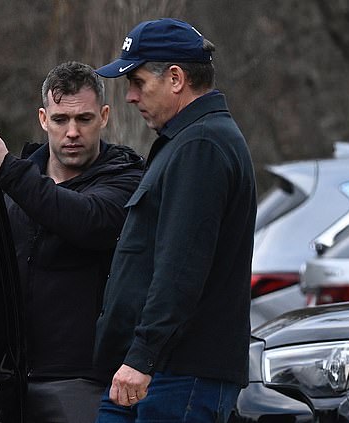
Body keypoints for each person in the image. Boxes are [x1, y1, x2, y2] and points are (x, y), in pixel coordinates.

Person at [0, 61, 144, 423]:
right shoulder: (16, 181)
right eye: (61, 120)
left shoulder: (125, 176)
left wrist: (8, 170)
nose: (72, 132)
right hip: (8, 375)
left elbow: (85, 219)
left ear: (104, 117)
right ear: (44, 119)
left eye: (84, 119)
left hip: (81, 379)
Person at [92, 18, 257, 422]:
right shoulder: (189, 140)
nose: (130, 96)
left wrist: (143, 357)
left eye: (139, 82)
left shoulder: (201, 144)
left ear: (177, 78)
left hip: (177, 373)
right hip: (155, 370)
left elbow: (180, 269)